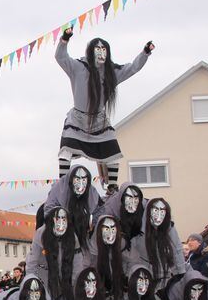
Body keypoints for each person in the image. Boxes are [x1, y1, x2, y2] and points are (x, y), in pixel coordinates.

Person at [54, 26, 153, 187]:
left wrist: (145, 53)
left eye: (104, 49)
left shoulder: (111, 73)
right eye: (98, 48)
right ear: (91, 51)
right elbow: (61, 57)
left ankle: (112, 187)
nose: (101, 52)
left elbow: (133, 67)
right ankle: (63, 184)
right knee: (66, 150)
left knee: (113, 154)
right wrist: (64, 39)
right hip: (78, 119)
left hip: (99, 120)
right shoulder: (78, 67)